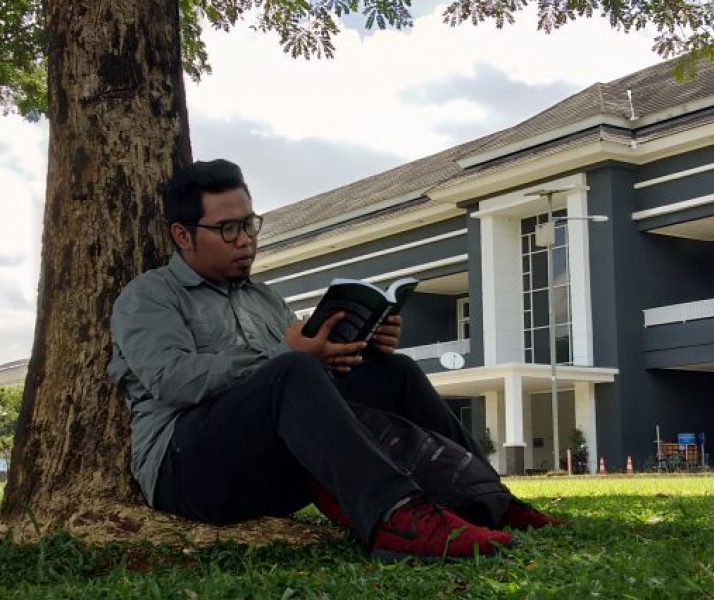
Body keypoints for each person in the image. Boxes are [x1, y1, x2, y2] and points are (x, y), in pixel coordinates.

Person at [108, 159, 560, 561]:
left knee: (393, 372)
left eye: (250, 224)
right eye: (228, 229)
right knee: (291, 368)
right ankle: (398, 518)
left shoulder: (263, 299)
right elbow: (172, 379)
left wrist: (358, 345)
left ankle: (490, 500)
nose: (245, 240)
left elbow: (307, 380)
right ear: (183, 235)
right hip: (188, 470)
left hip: (279, 465)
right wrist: (285, 355)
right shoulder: (150, 295)